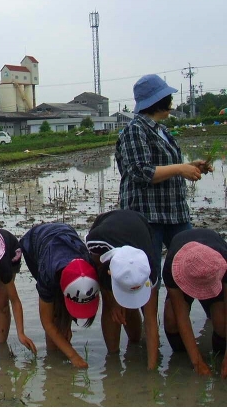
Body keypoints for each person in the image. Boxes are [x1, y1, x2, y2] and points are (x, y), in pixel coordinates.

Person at [116, 74, 211, 256]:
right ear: (159, 100)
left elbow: (167, 166)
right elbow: (141, 171)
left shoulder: (162, 130)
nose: (171, 101)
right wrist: (180, 169)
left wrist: (191, 166)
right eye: (168, 97)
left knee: (191, 264)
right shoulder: (135, 129)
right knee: (150, 274)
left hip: (174, 211)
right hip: (147, 214)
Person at [19, 223, 100, 368]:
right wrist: (74, 356)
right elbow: (47, 322)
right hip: (35, 242)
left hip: (67, 238)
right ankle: (53, 360)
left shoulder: (91, 267)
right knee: (54, 312)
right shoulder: (46, 273)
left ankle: (63, 341)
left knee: (64, 319)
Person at [86, 209, 160, 369]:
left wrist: (152, 369)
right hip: (105, 232)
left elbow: (151, 319)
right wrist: (112, 301)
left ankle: (135, 343)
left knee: (145, 313)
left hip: (141, 226)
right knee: (111, 308)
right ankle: (112, 359)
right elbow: (101, 274)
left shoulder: (150, 270)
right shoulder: (96, 243)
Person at [161, 228, 227, 377]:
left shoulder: (224, 261)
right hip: (184, 269)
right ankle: (182, 356)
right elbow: (181, 317)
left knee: (222, 320)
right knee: (171, 319)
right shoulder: (172, 266)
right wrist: (197, 362)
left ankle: (219, 354)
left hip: (213, 270)